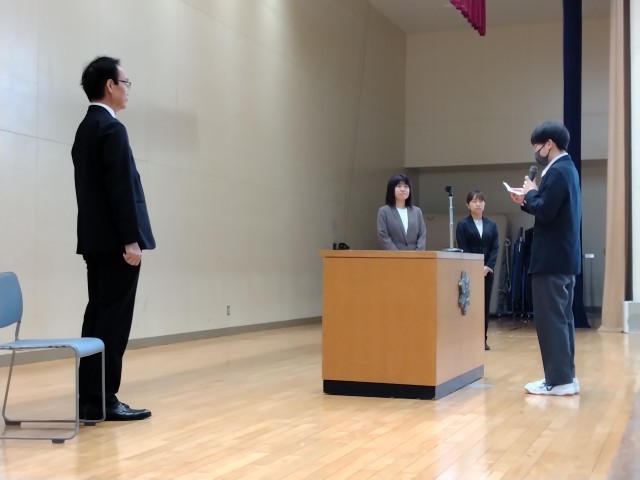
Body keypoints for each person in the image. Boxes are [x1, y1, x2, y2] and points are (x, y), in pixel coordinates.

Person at [72, 56, 156, 420]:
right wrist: (130, 240)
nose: (127, 90)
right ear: (110, 85)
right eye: (126, 83)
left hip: (95, 243)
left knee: (97, 319)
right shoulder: (111, 128)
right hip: (116, 245)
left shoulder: (85, 128)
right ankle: (105, 398)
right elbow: (120, 190)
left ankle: (90, 398)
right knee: (113, 324)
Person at [509, 121, 581, 396]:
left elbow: (547, 212)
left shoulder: (558, 171)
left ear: (548, 144)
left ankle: (558, 381)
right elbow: (549, 208)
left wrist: (531, 192)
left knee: (551, 321)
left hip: (551, 259)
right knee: (561, 320)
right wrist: (528, 199)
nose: (536, 153)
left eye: (537, 147)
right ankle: (565, 376)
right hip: (563, 258)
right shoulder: (568, 169)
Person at [456, 191, 499, 351]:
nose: (478, 204)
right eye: (474, 201)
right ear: (468, 205)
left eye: (481, 201)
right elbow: (463, 246)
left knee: (484, 305)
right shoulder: (462, 224)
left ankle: (482, 339)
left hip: (487, 271)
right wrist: (475, 267)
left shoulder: (491, 225)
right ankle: (469, 339)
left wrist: (488, 266)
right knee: (469, 305)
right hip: (469, 271)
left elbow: (495, 248)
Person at [377, 174, 426, 250]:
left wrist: (418, 254)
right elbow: (383, 236)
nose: (403, 189)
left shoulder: (417, 211)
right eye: (399, 186)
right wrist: (398, 255)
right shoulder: (384, 211)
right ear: (391, 189)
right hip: (393, 256)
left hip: (415, 256)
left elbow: (422, 235)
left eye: (406, 186)